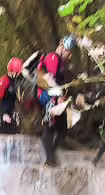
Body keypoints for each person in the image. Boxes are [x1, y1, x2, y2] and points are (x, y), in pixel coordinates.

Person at [36, 36, 75, 166]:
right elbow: (50, 80)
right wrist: (58, 98)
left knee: (62, 128)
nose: (69, 57)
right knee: (50, 127)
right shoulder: (53, 58)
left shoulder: (59, 61)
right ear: (64, 48)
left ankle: (51, 157)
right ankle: (49, 159)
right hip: (47, 97)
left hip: (52, 96)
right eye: (69, 53)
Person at [0, 57, 25, 134]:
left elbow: (10, 96)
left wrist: (17, 98)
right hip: (4, 116)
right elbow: (0, 100)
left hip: (11, 114)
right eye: (18, 72)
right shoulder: (4, 81)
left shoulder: (13, 81)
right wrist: (4, 114)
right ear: (13, 71)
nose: (19, 74)